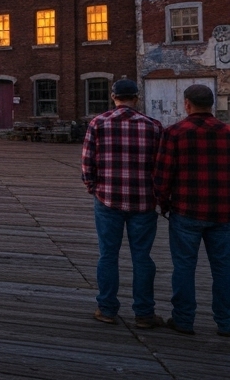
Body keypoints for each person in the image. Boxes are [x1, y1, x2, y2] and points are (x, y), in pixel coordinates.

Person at [81, 79, 164, 329]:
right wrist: (159, 196)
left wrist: (94, 189)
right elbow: (161, 167)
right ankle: (144, 314)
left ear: (113, 97)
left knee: (108, 255)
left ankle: (107, 309)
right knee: (142, 258)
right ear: (136, 98)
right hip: (144, 202)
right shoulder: (153, 126)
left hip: (108, 199)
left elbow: (87, 163)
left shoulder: (98, 123)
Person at [153, 83, 230, 337]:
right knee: (224, 268)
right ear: (211, 105)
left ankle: (184, 319)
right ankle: (226, 322)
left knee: (184, 267)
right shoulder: (227, 132)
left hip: (186, 210)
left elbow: (163, 176)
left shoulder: (175, 133)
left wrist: (164, 204)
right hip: (223, 212)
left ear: (187, 104)